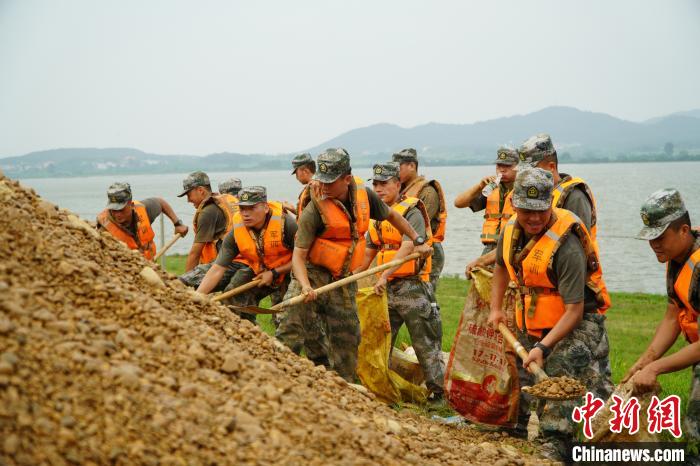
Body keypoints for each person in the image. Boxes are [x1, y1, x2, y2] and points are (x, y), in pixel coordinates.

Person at [488, 167, 613, 461]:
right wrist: (495, 308)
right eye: (527, 211)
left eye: (541, 211)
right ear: (515, 204)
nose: (533, 218)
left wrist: (544, 347)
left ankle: (555, 443)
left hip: (581, 319)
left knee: (560, 369)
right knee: (530, 377)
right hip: (537, 315)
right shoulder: (509, 230)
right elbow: (499, 267)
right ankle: (522, 425)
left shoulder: (566, 245)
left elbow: (575, 309)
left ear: (551, 205)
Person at [275, 148, 432, 382]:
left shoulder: (364, 195)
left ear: (347, 179)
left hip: (342, 277)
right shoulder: (314, 208)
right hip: (311, 273)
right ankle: (279, 379)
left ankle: (346, 387)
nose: (325, 187)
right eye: (323, 181)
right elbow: (298, 257)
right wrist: (306, 286)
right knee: (291, 328)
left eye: (331, 182)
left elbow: (393, 216)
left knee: (348, 336)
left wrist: (418, 240)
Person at [357, 162, 444, 398]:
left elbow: (407, 246)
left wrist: (383, 276)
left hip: (412, 288)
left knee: (425, 341)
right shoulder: (376, 216)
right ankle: (378, 386)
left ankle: (438, 392)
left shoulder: (411, 211)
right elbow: (368, 252)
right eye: (375, 184)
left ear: (397, 184)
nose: (379, 188)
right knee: (381, 338)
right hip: (385, 290)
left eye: (384, 183)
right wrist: (354, 275)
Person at [623, 189, 700, 457]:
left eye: (660, 237)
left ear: (684, 230)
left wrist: (655, 368)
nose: (654, 244)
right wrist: (645, 361)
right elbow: (672, 314)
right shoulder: (678, 258)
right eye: (650, 237)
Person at [196, 186, 296, 323]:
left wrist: (274, 273)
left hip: (293, 271)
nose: (245, 214)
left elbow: (304, 259)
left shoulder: (286, 224)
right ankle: (246, 333)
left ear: (265, 208)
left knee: (289, 319)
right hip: (261, 270)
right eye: (242, 209)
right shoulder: (237, 232)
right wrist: (197, 296)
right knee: (231, 297)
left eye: (252, 208)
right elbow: (217, 268)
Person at [392, 148, 448, 293]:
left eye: (398, 167)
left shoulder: (427, 191)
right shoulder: (400, 191)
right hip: (407, 247)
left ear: (412, 166)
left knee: (426, 294)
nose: (395, 172)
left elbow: (421, 225)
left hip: (428, 251)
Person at [455, 146, 518, 273]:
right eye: (499, 166)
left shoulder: (524, 190)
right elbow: (459, 203)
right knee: (482, 288)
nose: (502, 170)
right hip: (491, 248)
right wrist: (479, 186)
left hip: (514, 247)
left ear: (518, 167)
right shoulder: (491, 190)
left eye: (507, 166)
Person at [177, 171, 239, 290]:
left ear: (200, 190)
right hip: (241, 257)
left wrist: (187, 284)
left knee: (181, 283)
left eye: (189, 195)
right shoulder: (223, 200)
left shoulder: (208, 211)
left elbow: (195, 253)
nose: (188, 200)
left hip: (230, 262)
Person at [96, 182, 188, 260]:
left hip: (150, 264)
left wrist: (177, 223)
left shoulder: (142, 209)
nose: (117, 214)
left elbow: (160, 202)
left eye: (121, 210)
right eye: (113, 210)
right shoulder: (104, 227)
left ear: (131, 204)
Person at [290, 153, 316, 217]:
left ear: (305, 171)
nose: (296, 177)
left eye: (296, 173)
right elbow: (307, 214)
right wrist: (291, 208)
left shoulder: (314, 188)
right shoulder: (315, 185)